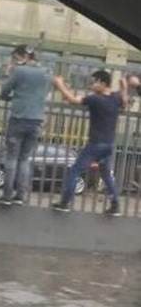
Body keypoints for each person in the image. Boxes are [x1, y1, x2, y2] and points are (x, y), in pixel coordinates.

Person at [52, 70, 126, 216]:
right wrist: (123, 88)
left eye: (94, 82)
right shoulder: (115, 98)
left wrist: (60, 84)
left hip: (96, 144)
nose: (91, 84)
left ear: (103, 83)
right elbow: (123, 102)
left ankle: (64, 203)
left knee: (75, 171)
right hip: (109, 144)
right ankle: (115, 205)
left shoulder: (95, 99)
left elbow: (73, 100)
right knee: (106, 174)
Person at [0, 45, 52, 206]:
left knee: (12, 158)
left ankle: (7, 195)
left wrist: (8, 74)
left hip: (18, 119)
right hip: (36, 121)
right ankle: (20, 195)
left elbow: (4, 91)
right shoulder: (47, 73)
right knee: (25, 159)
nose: (14, 61)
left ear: (24, 57)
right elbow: (43, 94)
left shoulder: (19, 71)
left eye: (15, 58)